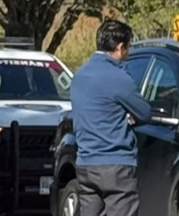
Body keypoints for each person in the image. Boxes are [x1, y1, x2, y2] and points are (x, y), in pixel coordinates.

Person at [71, 20, 152, 216]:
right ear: (120, 47)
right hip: (116, 165)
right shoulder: (118, 78)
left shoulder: (79, 76)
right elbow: (145, 112)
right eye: (128, 47)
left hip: (86, 163)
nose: (128, 53)